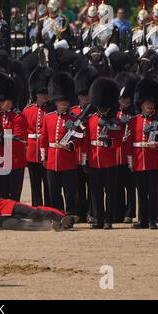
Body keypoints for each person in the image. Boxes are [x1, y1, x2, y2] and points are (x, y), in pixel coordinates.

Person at [83, 77, 121, 230]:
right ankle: (98, 219)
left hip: (109, 161)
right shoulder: (91, 119)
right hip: (94, 160)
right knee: (95, 192)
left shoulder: (115, 120)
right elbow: (86, 141)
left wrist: (110, 142)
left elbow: (119, 140)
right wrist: (85, 160)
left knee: (110, 192)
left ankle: (108, 220)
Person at [40, 72, 80, 216]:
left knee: (70, 191)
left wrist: (70, 145)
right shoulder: (49, 117)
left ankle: (69, 214)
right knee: (54, 191)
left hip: (68, 160)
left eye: (65, 100)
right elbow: (44, 139)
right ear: (55, 101)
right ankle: (58, 215)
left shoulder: (74, 119)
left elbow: (81, 138)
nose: (63, 102)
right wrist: (43, 157)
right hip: (52, 159)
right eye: (60, 100)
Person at [0, 72, 26, 201]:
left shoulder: (18, 116)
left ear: (10, 99)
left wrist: (0, 138)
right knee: (1, 195)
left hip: (15, 161)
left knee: (14, 195)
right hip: (1, 161)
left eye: (2, 100)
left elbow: (18, 139)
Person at [128, 78, 158, 229]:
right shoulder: (134, 121)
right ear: (141, 104)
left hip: (154, 161)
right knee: (141, 193)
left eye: (152, 103)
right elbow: (129, 142)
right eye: (147, 103)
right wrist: (130, 162)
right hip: (139, 162)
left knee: (154, 193)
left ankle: (153, 220)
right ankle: (143, 220)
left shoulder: (157, 120)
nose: (150, 105)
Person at [22, 67, 54, 207]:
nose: (45, 96)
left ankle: (48, 209)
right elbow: (23, 133)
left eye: (46, 93)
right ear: (36, 94)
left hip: (47, 151)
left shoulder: (52, 110)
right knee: (35, 185)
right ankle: (36, 209)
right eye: (42, 93)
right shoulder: (28, 110)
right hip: (32, 152)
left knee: (48, 185)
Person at [71, 66, 99, 223]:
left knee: (93, 187)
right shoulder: (74, 112)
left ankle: (91, 212)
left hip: (91, 154)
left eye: (87, 95)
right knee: (79, 186)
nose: (85, 98)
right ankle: (80, 212)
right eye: (82, 95)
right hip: (76, 154)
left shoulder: (97, 113)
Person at [115, 72, 137, 224]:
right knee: (117, 186)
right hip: (117, 155)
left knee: (130, 187)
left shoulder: (135, 113)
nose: (125, 100)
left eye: (127, 98)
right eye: (122, 98)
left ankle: (130, 213)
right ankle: (118, 212)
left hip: (130, 155)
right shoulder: (114, 113)